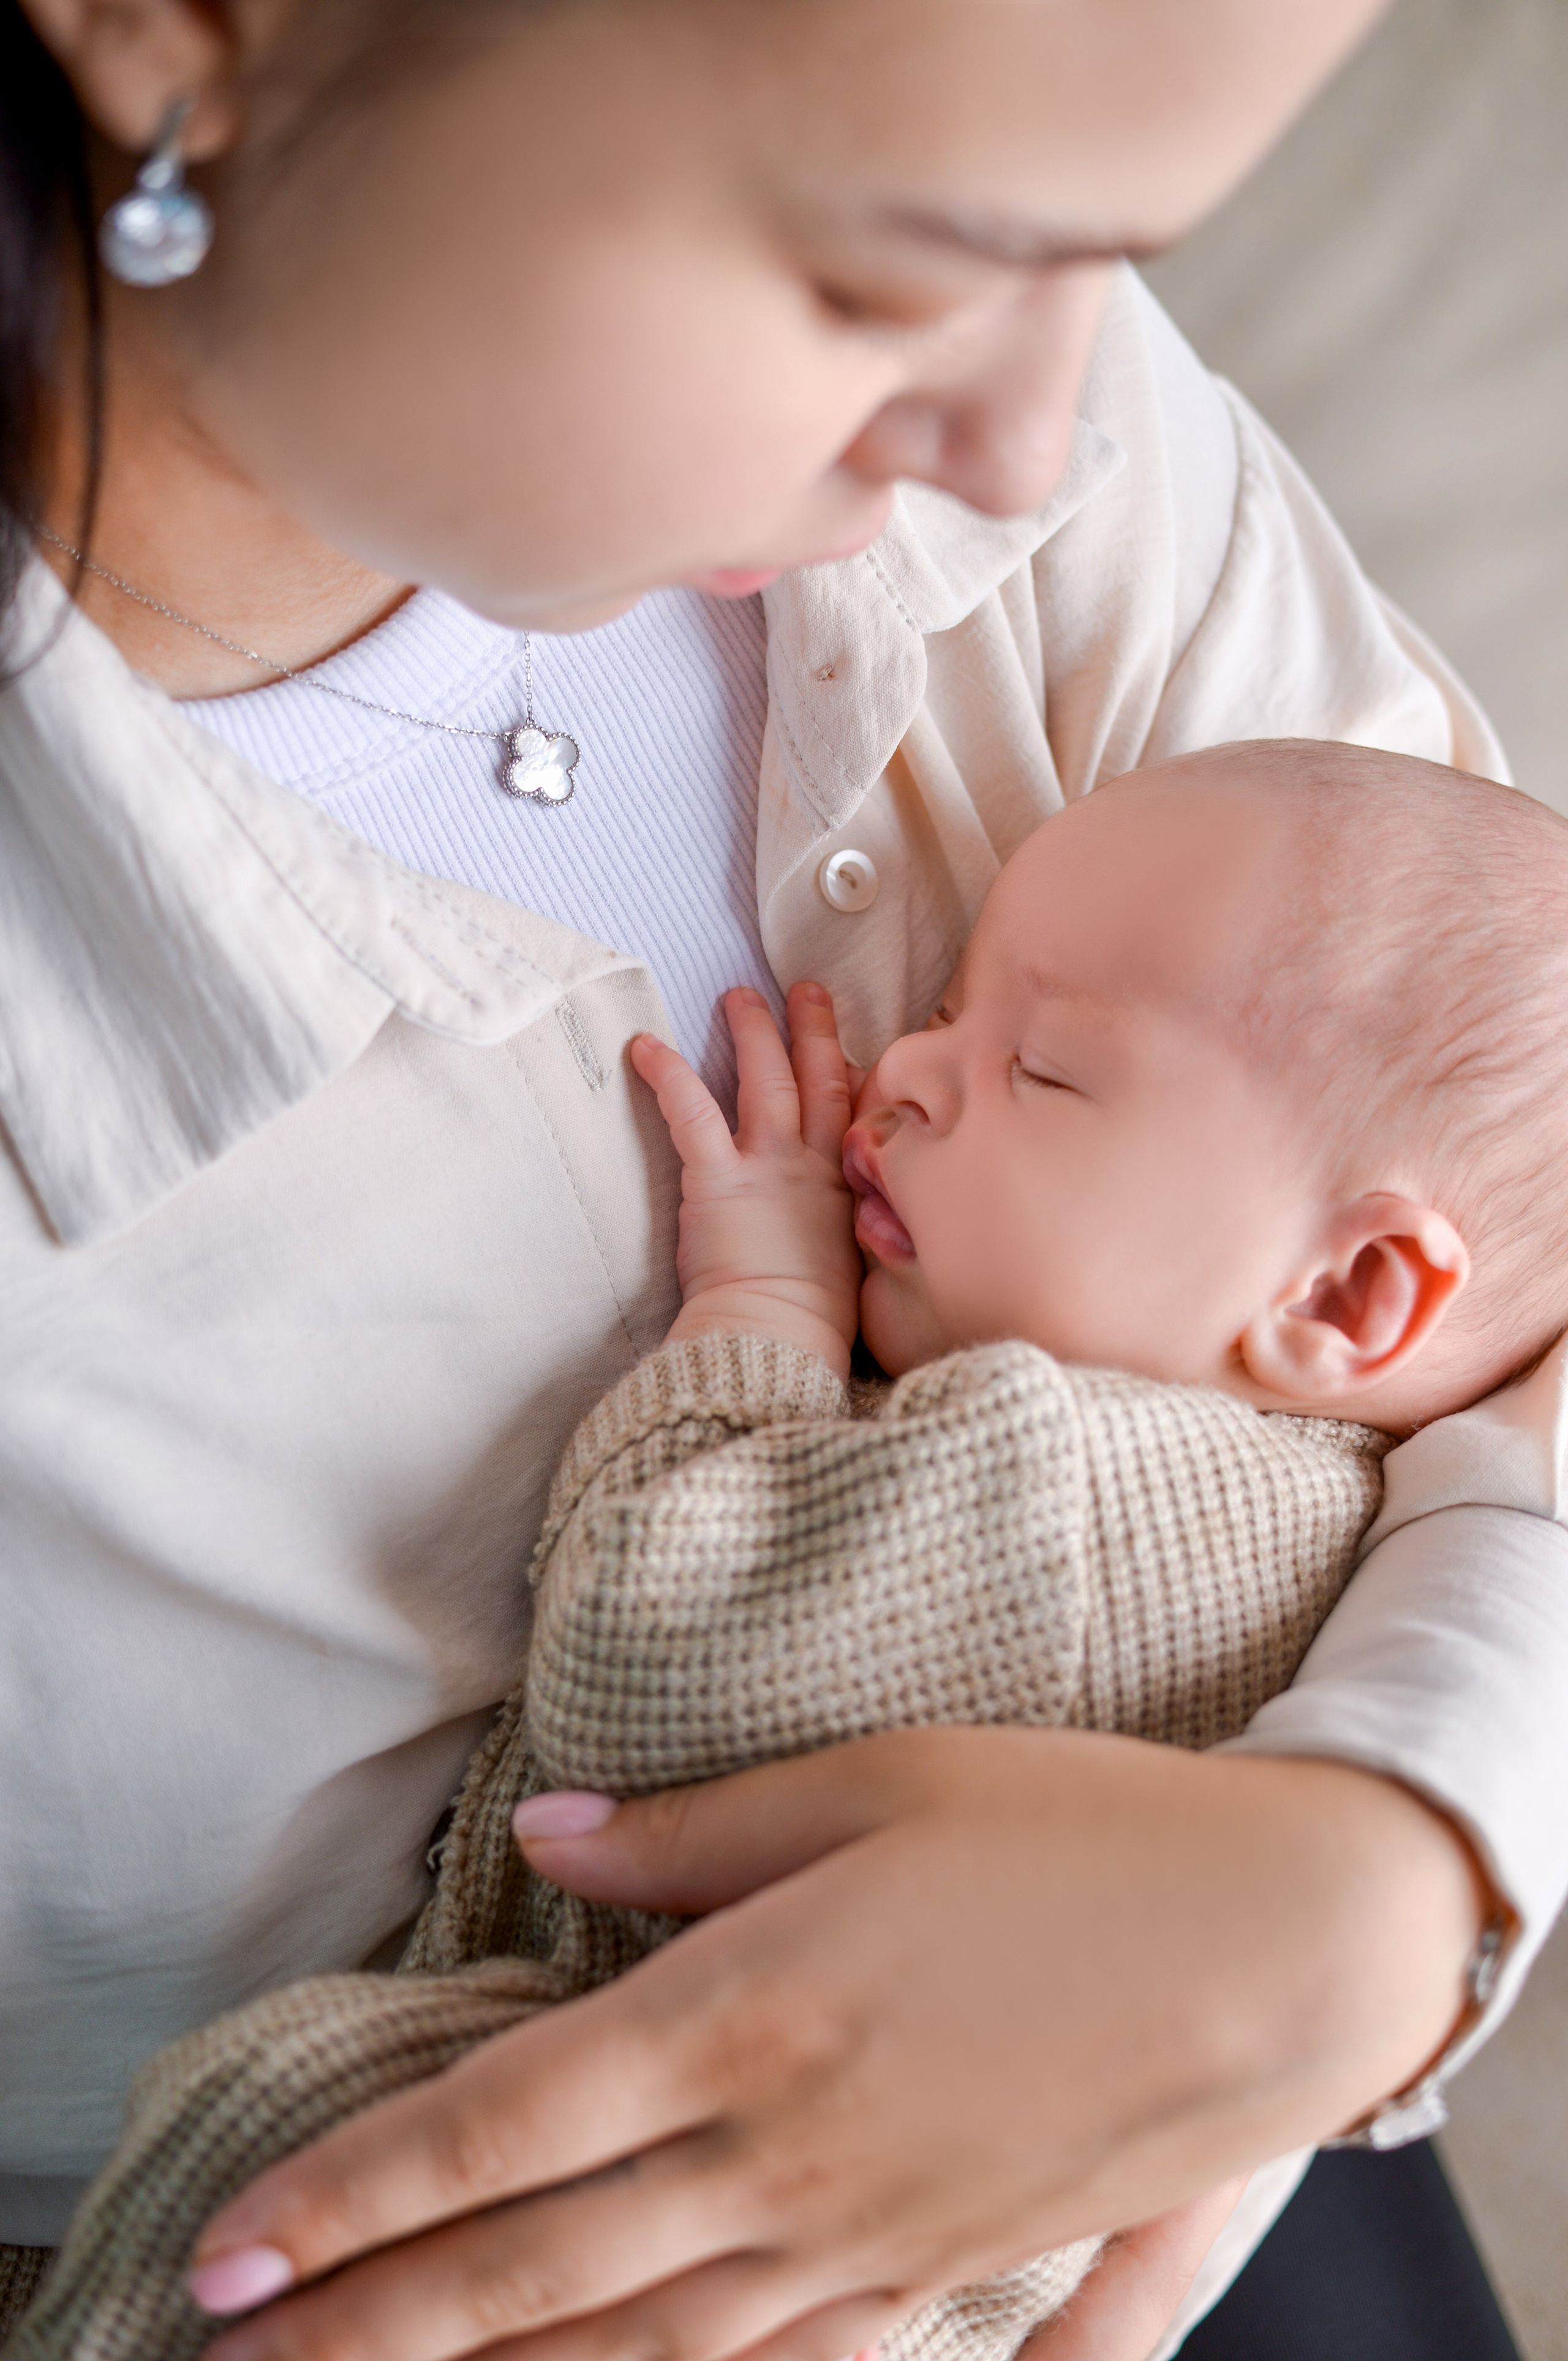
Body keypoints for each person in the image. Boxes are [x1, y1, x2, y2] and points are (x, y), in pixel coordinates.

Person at [0, 1, 1562, 2356]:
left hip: (1239, 2050)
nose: (1032, 431)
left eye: (1116, 249)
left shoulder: (1046, 426)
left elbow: (1519, 1193)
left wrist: (1394, 1854)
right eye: (883, 272)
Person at [14, 741, 1566, 2361]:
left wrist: (762, 1313)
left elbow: (644, 1653)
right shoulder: (1363, 1504)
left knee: (278, 2135)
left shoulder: (1055, 1491)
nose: (905, 1072)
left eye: (1043, 1073)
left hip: (691, 2204)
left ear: (1349, 1296)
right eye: (949, 1006)